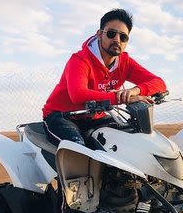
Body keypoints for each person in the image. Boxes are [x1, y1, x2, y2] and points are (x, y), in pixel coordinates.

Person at [42, 9, 166, 146]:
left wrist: (134, 91)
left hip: (95, 118)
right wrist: (121, 98)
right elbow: (77, 94)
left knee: (130, 141)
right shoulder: (80, 60)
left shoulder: (125, 62)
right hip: (62, 116)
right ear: (100, 34)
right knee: (79, 151)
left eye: (123, 37)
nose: (117, 40)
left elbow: (159, 83)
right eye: (111, 34)